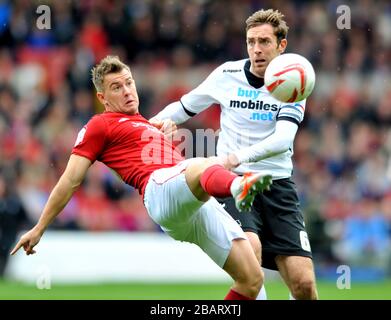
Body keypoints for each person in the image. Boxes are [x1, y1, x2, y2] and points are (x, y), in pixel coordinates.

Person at [10, 55, 273, 300]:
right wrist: (39, 227)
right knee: (202, 165)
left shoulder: (147, 123)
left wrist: (162, 133)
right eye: (116, 87)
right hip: (160, 193)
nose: (126, 90)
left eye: (128, 83)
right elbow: (70, 180)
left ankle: (235, 186)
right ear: (102, 97)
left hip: (191, 201)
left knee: (252, 280)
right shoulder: (99, 125)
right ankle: (238, 185)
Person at [151, 9, 318, 300]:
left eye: (264, 41)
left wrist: (234, 157)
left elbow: (282, 139)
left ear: (281, 45)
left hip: (277, 185)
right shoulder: (227, 74)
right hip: (235, 184)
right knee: (250, 254)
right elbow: (185, 105)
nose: (256, 49)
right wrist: (152, 126)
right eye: (251, 41)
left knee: (304, 285)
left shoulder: (294, 81)